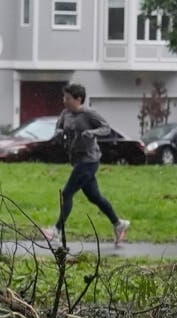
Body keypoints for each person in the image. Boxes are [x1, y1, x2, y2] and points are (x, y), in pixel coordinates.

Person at [43, 83, 130, 247]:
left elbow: (106, 128)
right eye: (64, 98)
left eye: (68, 98)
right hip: (77, 160)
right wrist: (59, 134)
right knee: (94, 197)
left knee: (67, 193)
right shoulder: (65, 114)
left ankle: (57, 231)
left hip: (89, 161)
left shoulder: (89, 114)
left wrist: (92, 133)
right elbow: (58, 128)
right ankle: (119, 224)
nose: (64, 101)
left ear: (78, 99)